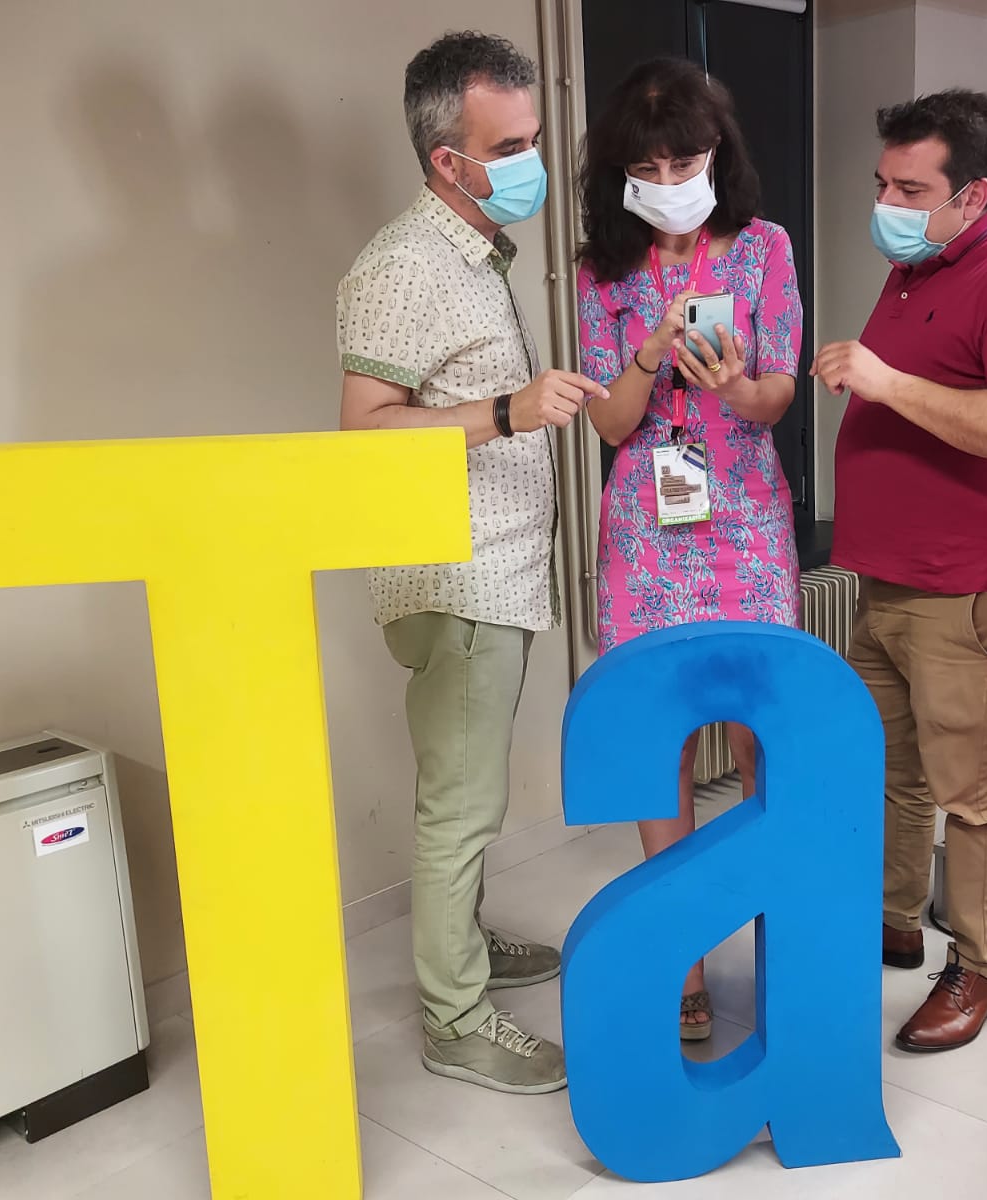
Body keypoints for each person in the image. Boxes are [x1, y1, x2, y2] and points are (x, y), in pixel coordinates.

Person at [336, 30, 608, 1095]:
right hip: (455, 581)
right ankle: (454, 1019)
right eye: (511, 146)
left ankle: (465, 945)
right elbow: (363, 435)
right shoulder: (404, 265)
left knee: (470, 796)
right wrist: (507, 411)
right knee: (459, 807)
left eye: (534, 138)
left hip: (495, 570)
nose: (534, 161)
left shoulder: (472, 252)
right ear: (447, 159)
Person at [816, 88, 987, 1054]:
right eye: (882, 183)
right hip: (884, 577)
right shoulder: (915, 269)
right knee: (892, 770)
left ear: (972, 196)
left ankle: (979, 968)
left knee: (970, 787)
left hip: (965, 586)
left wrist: (886, 383)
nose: (886, 203)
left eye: (910, 189)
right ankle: (893, 924)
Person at [575, 58, 803, 1042]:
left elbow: (777, 394)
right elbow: (609, 423)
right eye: (648, 166)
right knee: (659, 737)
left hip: (744, 517)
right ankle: (684, 962)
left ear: (718, 155)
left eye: (685, 160)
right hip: (647, 529)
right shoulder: (602, 272)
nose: (669, 180)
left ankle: (781, 940)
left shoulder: (763, 249)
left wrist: (734, 385)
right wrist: (645, 353)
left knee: (762, 735)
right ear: (621, 172)